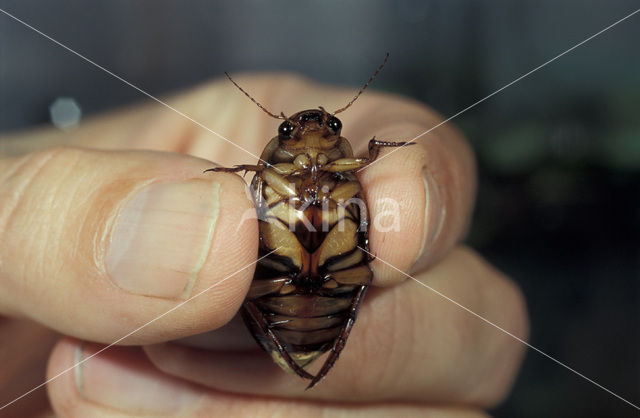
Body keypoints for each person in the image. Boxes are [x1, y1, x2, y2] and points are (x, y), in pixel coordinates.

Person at [0, 75, 528, 417]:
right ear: (280, 141)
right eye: (298, 130)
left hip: (329, 292)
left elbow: (373, 192)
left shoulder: (346, 168)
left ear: (340, 139)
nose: (314, 138)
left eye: (327, 129)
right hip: (282, 285)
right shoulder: (263, 174)